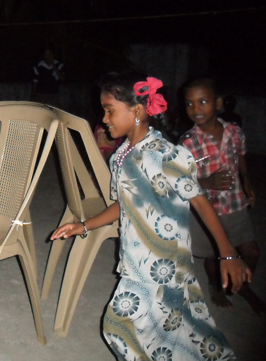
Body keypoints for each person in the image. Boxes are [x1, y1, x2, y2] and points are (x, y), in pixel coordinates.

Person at [51, 73, 250, 361]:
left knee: (120, 328)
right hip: (137, 260)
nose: (104, 119)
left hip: (164, 264)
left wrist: (228, 253)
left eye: (109, 110)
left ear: (137, 111)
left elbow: (200, 200)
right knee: (177, 331)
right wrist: (83, 226)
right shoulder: (120, 156)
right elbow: (123, 204)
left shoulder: (165, 154)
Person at [180, 77, 263, 313]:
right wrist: (208, 181)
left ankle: (240, 285)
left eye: (202, 101)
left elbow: (241, 156)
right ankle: (216, 286)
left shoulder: (234, 132)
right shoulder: (187, 142)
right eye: (189, 103)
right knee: (212, 255)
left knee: (252, 252)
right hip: (206, 209)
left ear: (218, 103)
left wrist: (246, 180)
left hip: (235, 203)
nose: (195, 109)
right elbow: (182, 181)